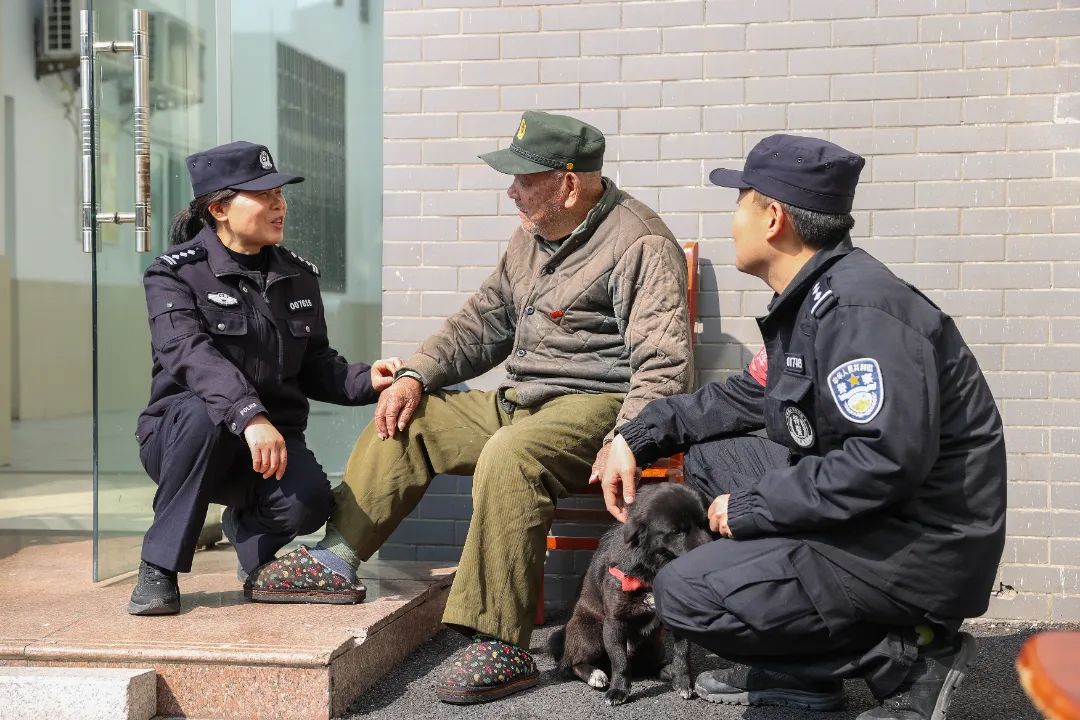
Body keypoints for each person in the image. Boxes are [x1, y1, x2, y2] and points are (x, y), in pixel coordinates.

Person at [245, 111, 693, 704]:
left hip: (599, 407)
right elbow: (482, 322)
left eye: (524, 180)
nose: (512, 191)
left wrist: (628, 438)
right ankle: (335, 558)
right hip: (523, 402)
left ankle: (501, 641)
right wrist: (415, 374)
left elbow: (664, 367)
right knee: (412, 418)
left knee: (511, 454)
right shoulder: (531, 236)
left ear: (568, 183)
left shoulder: (641, 243)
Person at [601, 134, 1007, 720]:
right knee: (712, 458)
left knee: (684, 592)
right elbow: (742, 398)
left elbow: (882, 463)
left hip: (918, 545)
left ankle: (908, 659)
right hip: (884, 517)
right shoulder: (815, 299)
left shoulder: (859, 314)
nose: (732, 220)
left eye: (740, 203)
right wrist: (634, 437)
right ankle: (802, 670)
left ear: (773, 218)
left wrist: (753, 507)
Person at [128, 141, 399, 616]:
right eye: (263, 195)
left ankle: (250, 538)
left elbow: (316, 363)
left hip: (264, 447)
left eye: (280, 194)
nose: (279, 205)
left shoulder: (298, 276)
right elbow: (188, 353)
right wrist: (249, 414)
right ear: (219, 209)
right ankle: (158, 566)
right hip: (183, 440)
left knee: (309, 502)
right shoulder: (174, 275)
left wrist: (366, 379)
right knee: (203, 414)